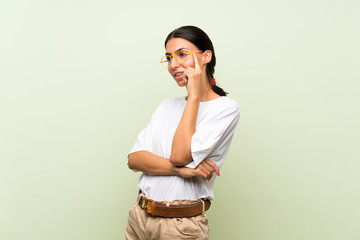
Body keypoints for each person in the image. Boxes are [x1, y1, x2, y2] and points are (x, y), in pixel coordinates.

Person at [125, 25, 240, 240]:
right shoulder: (166, 105)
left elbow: (179, 155)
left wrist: (194, 96)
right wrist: (181, 171)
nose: (173, 65)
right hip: (139, 217)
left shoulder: (225, 108)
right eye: (169, 57)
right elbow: (134, 159)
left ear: (206, 56)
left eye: (182, 55)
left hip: (179, 226)